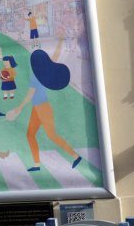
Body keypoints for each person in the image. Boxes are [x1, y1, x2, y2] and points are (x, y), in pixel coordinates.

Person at [7, 42, 82, 172]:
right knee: (30, 135)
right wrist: (60, 40)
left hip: (43, 107)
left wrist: (19, 108)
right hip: (37, 108)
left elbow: (30, 94)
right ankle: (37, 164)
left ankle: (75, 156)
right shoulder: (44, 71)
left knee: (51, 135)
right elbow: (56, 56)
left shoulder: (36, 76)